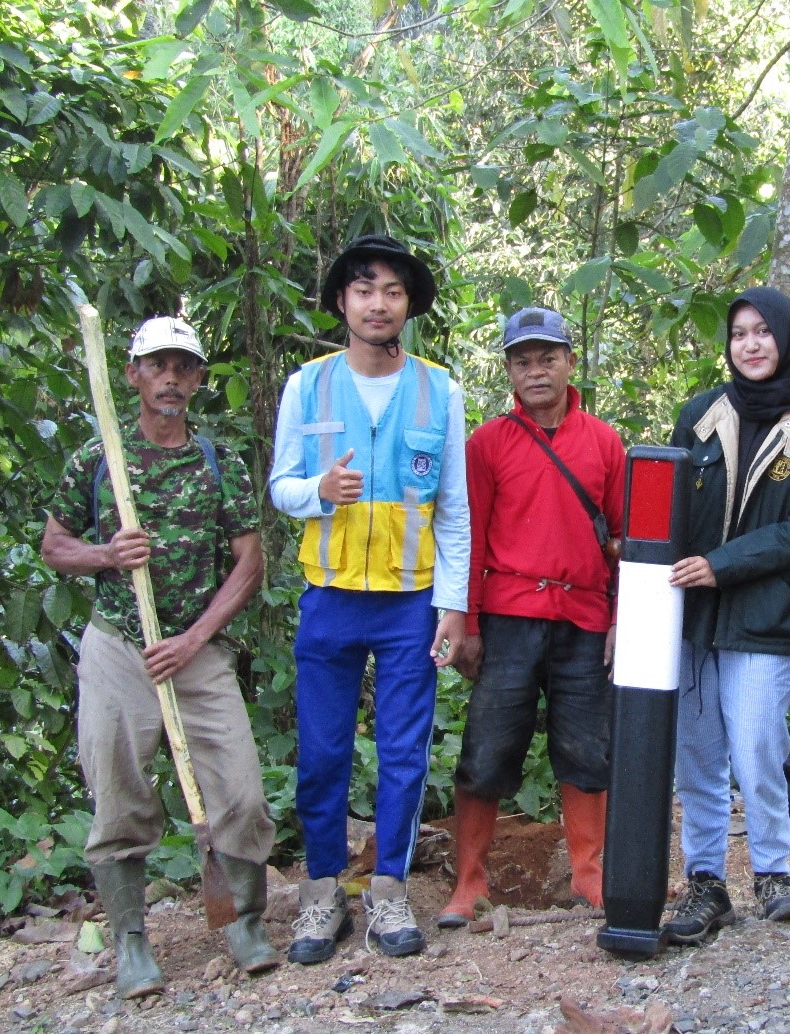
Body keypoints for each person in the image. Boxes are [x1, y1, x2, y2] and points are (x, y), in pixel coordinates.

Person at [42, 316, 278, 997]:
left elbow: (248, 562)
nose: (171, 377)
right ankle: (131, 942)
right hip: (120, 644)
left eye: (184, 366)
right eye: (158, 365)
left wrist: (196, 638)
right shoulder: (96, 460)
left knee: (239, 788)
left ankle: (245, 922)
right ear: (134, 375)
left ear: (198, 379)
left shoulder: (216, 461)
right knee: (119, 791)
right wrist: (107, 555)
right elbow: (55, 547)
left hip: (196, 649)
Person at [269, 235, 469, 963]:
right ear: (341, 303)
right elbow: (281, 486)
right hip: (330, 598)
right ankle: (322, 893)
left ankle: (388, 889)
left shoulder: (438, 389)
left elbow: (454, 506)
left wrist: (453, 604)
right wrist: (316, 493)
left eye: (391, 290)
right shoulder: (307, 386)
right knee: (322, 751)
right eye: (362, 289)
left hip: (410, 602)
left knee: (403, 754)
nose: (377, 303)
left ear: (408, 304)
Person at [661, 286, 790, 945]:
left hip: (769, 617)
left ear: (786, 339)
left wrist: (722, 563)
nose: (750, 344)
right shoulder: (700, 414)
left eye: (762, 332)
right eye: (739, 333)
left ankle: (773, 872)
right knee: (698, 755)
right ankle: (704, 881)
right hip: (693, 620)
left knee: (755, 745)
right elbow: (671, 511)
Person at [436, 306, 625, 928]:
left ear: (571, 362)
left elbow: (627, 539)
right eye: (523, 360)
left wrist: (624, 619)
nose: (536, 370)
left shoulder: (603, 441)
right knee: (486, 749)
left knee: (587, 748)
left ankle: (589, 876)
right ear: (509, 371)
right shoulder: (486, 444)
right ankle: (470, 883)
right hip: (511, 615)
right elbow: (467, 535)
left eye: (548, 358)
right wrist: (464, 623)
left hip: (584, 617)